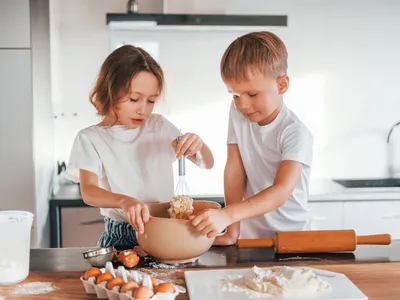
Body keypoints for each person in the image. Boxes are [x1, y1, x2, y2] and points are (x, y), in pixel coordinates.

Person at [65, 45, 214, 248]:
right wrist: (124, 201)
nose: (142, 110)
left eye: (151, 101)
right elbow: (89, 191)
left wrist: (198, 144)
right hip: (122, 237)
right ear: (110, 89)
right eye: (134, 99)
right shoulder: (91, 138)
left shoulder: (159, 126)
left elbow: (207, 163)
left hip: (166, 231)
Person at [189, 31, 314, 244]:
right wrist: (232, 231)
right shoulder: (239, 112)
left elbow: (281, 191)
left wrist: (227, 215)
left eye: (252, 94)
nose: (242, 104)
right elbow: (235, 170)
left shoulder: (295, 132)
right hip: (251, 238)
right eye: (235, 95)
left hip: (293, 238)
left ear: (281, 85)